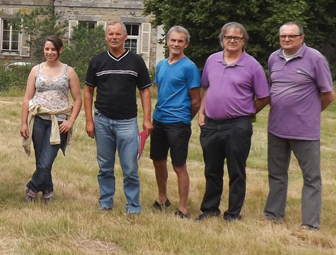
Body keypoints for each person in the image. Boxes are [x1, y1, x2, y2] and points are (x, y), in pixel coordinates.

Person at [264, 21, 335, 230]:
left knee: (311, 178)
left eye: (291, 36)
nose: (286, 39)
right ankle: (273, 215)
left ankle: (310, 224)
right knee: (277, 174)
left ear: (302, 38)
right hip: (276, 128)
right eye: (283, 36)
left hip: (305, 131)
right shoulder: (273, 58)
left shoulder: (315, 59)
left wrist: (309, 113)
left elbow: (329, 95)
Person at [197, 22, 270, 222]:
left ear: (243, 41)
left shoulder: (252, 66)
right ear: (222, 39)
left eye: (236, 38)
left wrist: (246, 113)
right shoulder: (212, 61)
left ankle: (233, 213)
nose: (231, 41)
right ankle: (210, 209)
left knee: (236, 170)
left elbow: (264, 97)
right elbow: (206, 88)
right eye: (228, 37)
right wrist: (201, 113)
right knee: (212, 169)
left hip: (238, 126)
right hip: (211, 124)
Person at [83, 22, 153, 214]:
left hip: (127, 122)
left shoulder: (136, 61)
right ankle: (105, 203)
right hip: (102, 120)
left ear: (125, 37)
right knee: (105, 166)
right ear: (106, 37)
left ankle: (133, 206)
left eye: (118, 34)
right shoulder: (97, 61)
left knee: (130, 167)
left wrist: (147, 119)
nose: (114, 37)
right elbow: (88, 91)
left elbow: (145, 91)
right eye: (110, 34)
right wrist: (89, 120)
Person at [19, 36, 82, 204]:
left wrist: (70, 121)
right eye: (47, 49)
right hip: (38, 120)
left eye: (53, 49)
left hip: (59, 122)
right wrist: (24, 122)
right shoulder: (35, 70)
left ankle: (31, 188)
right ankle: (47, 190)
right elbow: (27, 98)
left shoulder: (69, 72)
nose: (49, 52)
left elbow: (77, 100)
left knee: (47, 161)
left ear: (60, 50)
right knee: (40, 160)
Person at [150, 26, 201, 219]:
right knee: (158, 161)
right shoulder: (162, 65)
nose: (176, 44)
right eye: (173, 40)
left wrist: (184, 119)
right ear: (167, 42)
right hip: (159, 120)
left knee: (179, 165)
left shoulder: (189, 67)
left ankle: (183, 208)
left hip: (178, 122)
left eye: (180, 41)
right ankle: (163, 199)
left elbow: (196, 100)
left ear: (186, 44)